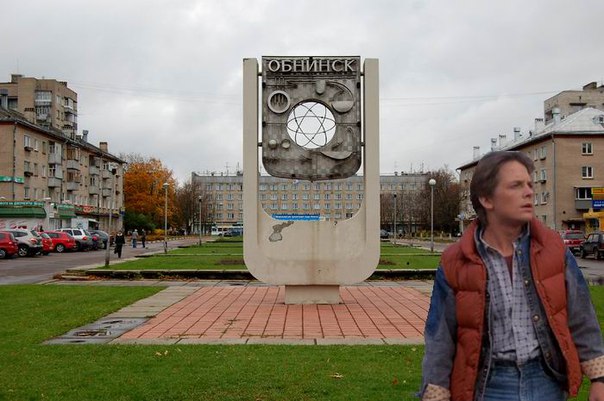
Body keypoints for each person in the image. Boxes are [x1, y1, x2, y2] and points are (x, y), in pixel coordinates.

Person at [420, 151, 604, 401]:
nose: (529, 192)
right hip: (488, 386)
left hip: (546, 382)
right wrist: (436, 391)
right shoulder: (456, 260)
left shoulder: (553, 248)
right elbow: (440, 336)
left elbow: (582, 315)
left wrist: (599, 378)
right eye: (516, 185)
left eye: (529, 184)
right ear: (487, 199)